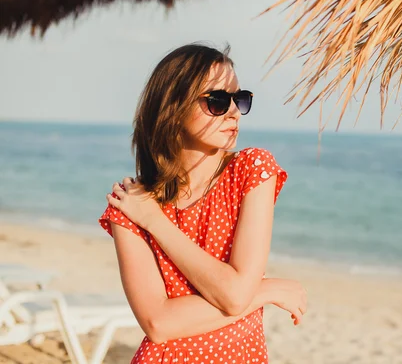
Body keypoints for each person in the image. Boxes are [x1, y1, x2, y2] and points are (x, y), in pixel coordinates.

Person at [98, 43, 307, 364]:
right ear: (173, 107)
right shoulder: (130, 205)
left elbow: (236, 295)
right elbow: (158, 324)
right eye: (218, 101)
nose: (234, 111)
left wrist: (155, 222)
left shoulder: (252, 170)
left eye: (240, 98)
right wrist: (266, 290)